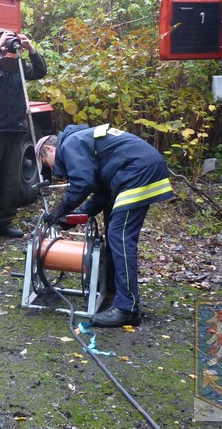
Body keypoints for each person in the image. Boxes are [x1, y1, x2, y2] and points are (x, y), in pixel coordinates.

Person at [34, 125, 174, 327]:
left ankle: (127, 309)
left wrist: (59, 210)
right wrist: (75, 216)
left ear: (49, 149)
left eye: (47, 164)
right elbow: (101, 193)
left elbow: (82, 184)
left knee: (120, 236)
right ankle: (113, 286)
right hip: (133, 171)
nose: (53, 170)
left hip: (136, 172)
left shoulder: (70, 144)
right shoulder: (84, 143)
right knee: (113, 228)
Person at [0, 28, 48, 237]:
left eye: (7, 39)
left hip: (14, 129)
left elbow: (40, 72)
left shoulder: (16, 68)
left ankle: (4, 223)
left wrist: (30, 48)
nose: (5, 43)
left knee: (10, 181)